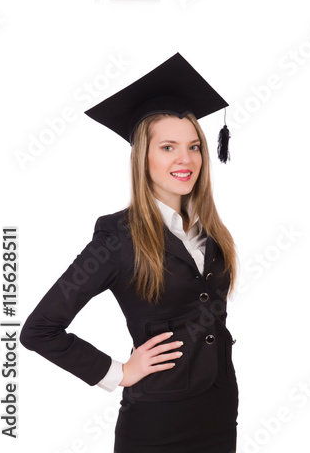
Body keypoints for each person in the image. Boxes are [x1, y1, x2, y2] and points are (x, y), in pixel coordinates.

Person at [20, 53, 239, 453]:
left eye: (194, 146)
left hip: (220, 411)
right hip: (157, 421)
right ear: (144, 157)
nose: (185, 159)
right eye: (168, 147)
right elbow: (39, 329)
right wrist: (117, 371)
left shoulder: (212, 232)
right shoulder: (118, 238)